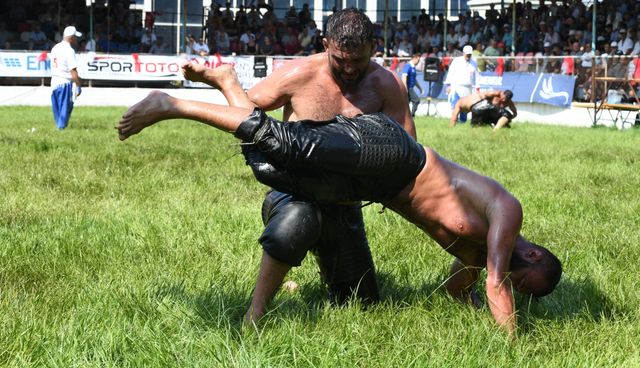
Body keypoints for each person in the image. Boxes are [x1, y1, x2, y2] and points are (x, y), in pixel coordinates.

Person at [116, 67, 562, 335]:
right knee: (286, 143)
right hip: (398, 158)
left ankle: (227, 81)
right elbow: (496, 284)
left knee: (268, 167)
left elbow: (454, 294)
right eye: (527, 287)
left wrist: (471, 307)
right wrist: (511, 349)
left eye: (524, 296)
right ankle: (172, 102)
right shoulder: (507, 213)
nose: (517, 293)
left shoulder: (472, 257)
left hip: (374, 189)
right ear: (532, 253)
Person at [116, 9, 417, 325]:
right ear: (326, 43)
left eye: (358, 60)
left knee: (363, 305)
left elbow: (407, 152)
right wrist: (228, 88)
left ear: (373, 46)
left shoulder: (388, 86)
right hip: (292, 194)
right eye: (340, 60)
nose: (349, 69)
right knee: (299, 219)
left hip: (344, 207)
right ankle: (254, 316)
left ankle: (309, 266)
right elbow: (247, 115)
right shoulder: (299, 74)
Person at [50, 26, 82, 130]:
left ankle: (59, 128)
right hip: (65, 83)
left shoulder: (55, 47)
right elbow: (73, 70)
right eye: (75, 37)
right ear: (71, 37)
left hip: (54, 81)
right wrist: (78, 85)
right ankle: (61, 130)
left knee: (57, 109)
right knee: (65, 108)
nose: (76, 39)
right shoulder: (69, 50)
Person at [450, 89, 517, 130]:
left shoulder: (509, 102)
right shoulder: (495, 93)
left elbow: (514, 113)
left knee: (506, 120)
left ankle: (495, 129)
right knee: (478, 126)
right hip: (483, 107)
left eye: (505, 100)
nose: (503, 100)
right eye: (503, 98)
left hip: (486, 109)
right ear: (502, 94)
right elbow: (482, 96)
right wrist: (487, 104)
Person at [445, 45, 479, 124]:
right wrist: (448, 85)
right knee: (455, 105)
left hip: (468, 88)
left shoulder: (474, 63)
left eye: (470, 54)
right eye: (467, 54)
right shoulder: (456, 61)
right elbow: (451, 72)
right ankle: (454, 121)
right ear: (463, 53)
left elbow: (477, 76)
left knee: (465, 107)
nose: (468, 56)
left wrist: (477, 87)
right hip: (456, 86)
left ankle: (463, 122)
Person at [401, 53, 424, 117]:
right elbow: (404, 77)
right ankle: (411, 116)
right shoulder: (408, 66)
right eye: (418, 60)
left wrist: (420, 88)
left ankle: (405, 117)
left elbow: (414, 80)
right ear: (415, 58)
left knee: (406, 103)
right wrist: (405, 88)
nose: (418, 62)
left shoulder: (413, 67)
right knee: (416, 100)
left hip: (411, 87)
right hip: (408, 88)